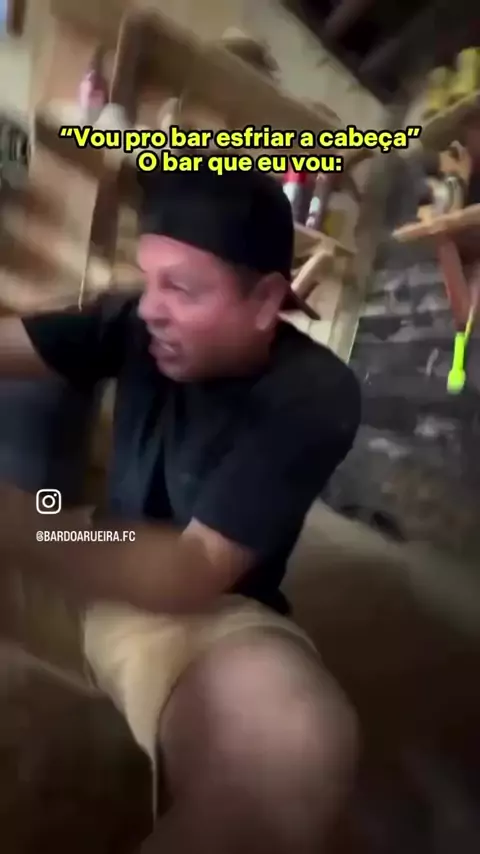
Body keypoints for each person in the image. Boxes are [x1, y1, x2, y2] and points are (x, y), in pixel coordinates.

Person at [0, 165, 361, 853]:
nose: (150, 309)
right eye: (149, 279)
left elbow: (193, 569)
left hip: (198, 612)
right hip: (82, 541)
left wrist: (18, 525)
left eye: (183, 289)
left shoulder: (315, 394)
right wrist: (40, 526)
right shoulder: (133, 322)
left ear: (266, 301)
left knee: (295, 749)